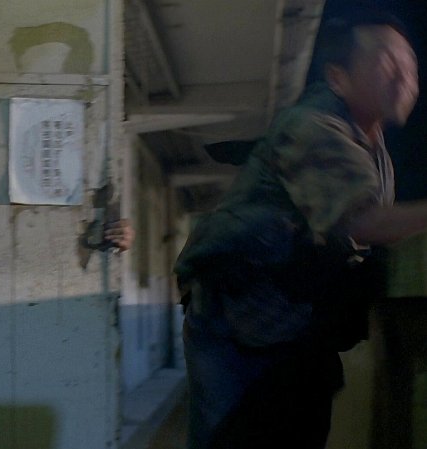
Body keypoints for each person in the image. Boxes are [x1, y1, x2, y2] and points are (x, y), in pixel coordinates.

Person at [173, 9, 425, 449]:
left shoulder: (375, 150)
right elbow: (361, 220)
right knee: (230, 440)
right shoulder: (313, 125)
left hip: (294, 326)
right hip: (235, 319)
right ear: (338, 77)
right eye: (387, 61)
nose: (404, 76)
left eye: (411, 65)